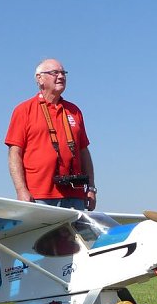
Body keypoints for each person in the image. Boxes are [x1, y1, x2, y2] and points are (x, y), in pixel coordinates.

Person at [5, 58, 97, 211]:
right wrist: (21, 190)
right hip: (39, 196)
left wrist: (91, 188)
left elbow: (84, 152)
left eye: (63, 73)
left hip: (75, 195)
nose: (61, 76)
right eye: (55, 73)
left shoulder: (74, 110)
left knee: (75, 236)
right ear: (39, 78)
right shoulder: (24, 110)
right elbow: (14, 153)